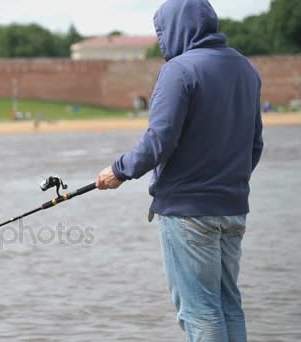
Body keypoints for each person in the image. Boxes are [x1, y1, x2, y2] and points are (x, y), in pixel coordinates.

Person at [95, 1, 263, 341]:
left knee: (200, 313)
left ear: (176, 28)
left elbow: (160, 138)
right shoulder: (245, 68)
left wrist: (119, 170)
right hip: (233, 209)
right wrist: (229, 182)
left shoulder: (179, 69)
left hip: (188, 212)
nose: (161, 40)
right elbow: (254, 144)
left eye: (162, 32)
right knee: (228, 306)